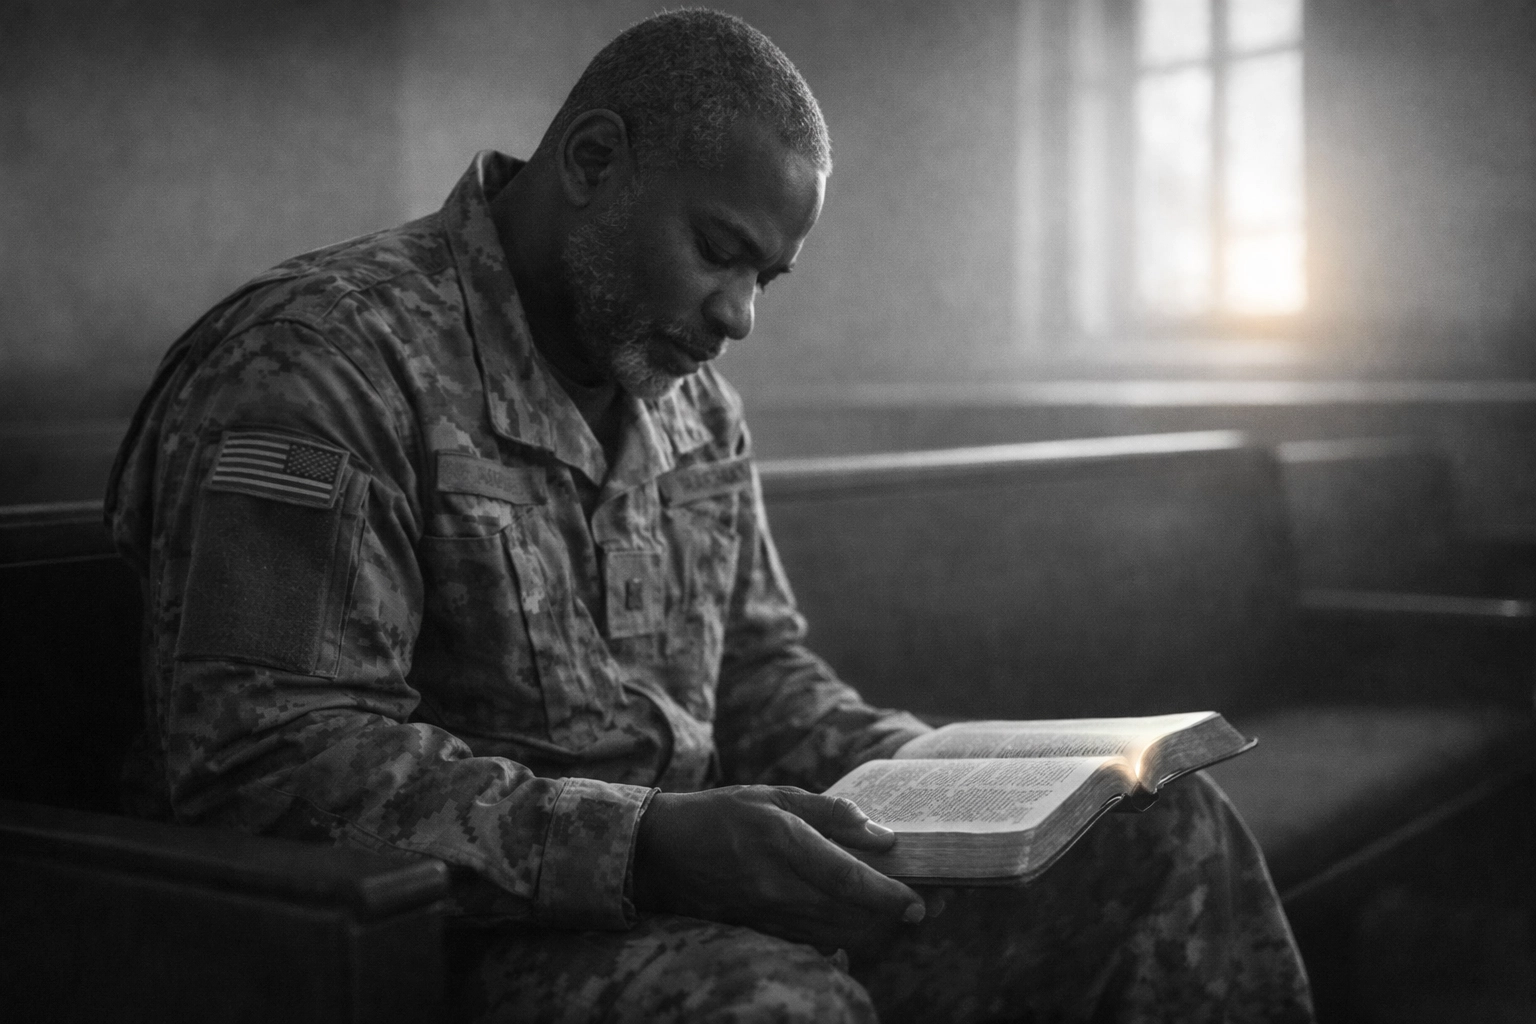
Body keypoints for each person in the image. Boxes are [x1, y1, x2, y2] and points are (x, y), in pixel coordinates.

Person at [106, 9, 1314, 1022]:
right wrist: (646, 842)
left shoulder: (695, 410)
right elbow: (266, 762)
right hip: (442, 940)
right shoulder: (321, 364)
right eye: (720, 252)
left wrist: (932, 776)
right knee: (773, 1008)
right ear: (591, 161)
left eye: (766, 278)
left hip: (691, 887)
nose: (740, 316)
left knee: (1167, 835)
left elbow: (762, 678)